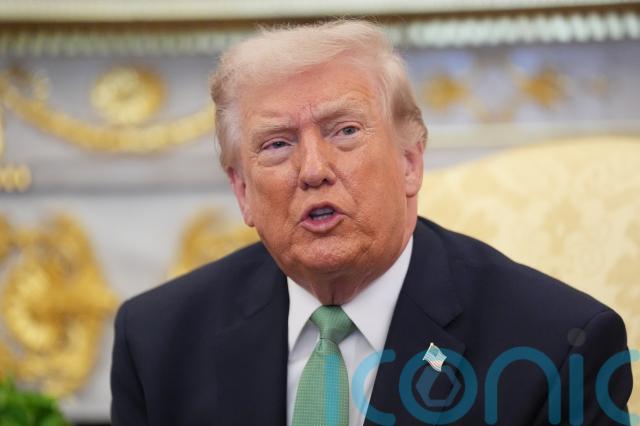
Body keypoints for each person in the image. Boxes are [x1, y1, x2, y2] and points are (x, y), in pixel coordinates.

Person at [110, 20, 633, 425]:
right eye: (277, 144)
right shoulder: (157, 342)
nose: (313, 170)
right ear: (242, 191)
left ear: (410, 162)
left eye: (344, 131)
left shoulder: (556, 350)